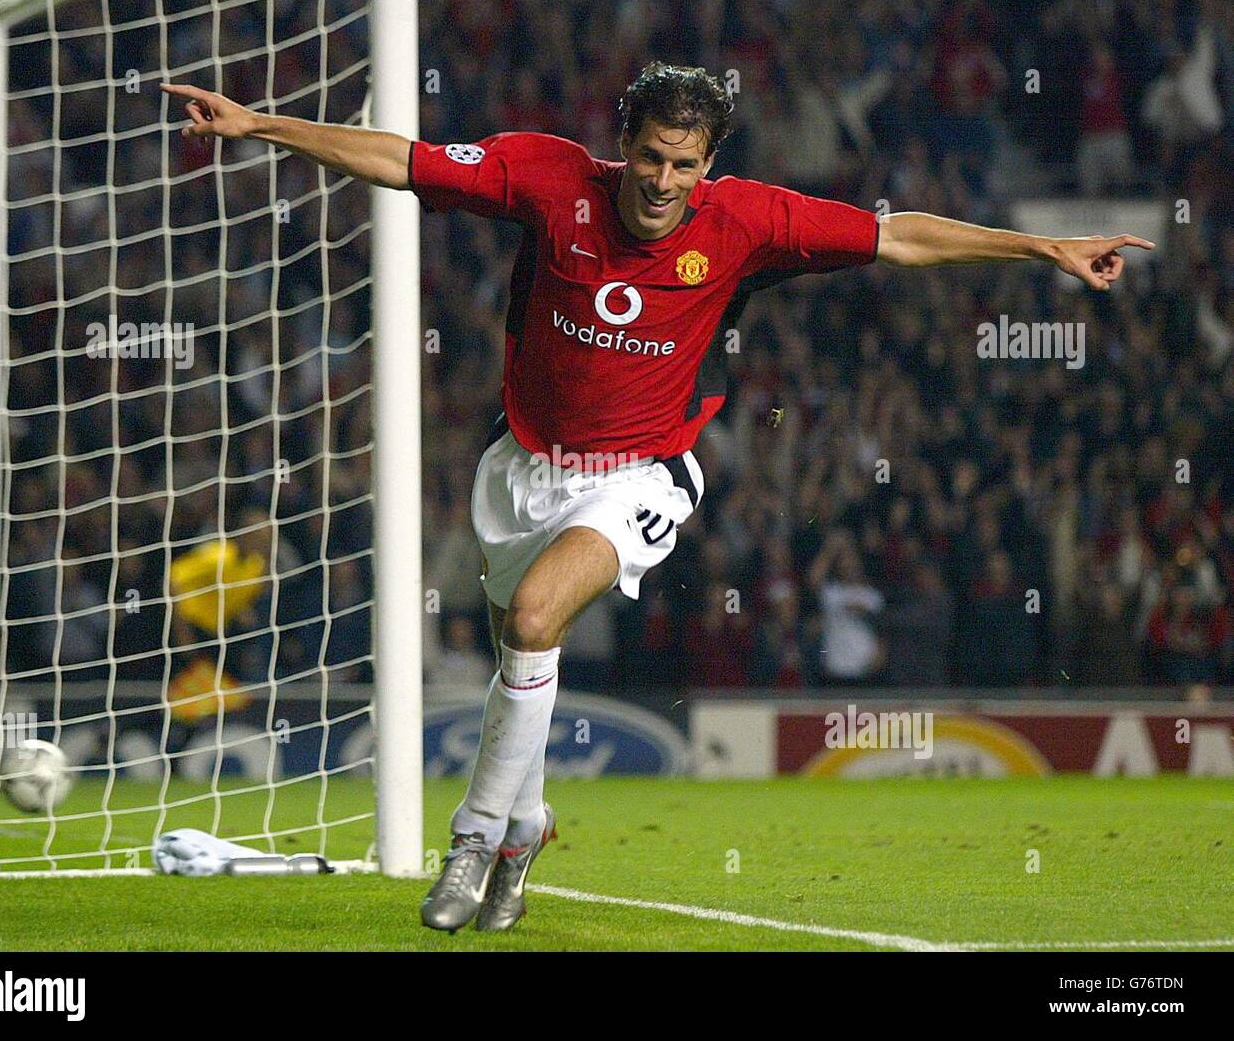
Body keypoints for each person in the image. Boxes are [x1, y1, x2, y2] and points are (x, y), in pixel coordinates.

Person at [163, 61, 1152, 934]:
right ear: (621, 146)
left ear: (707, 162)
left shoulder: (750, 220)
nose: (663, 183)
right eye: (648, 159)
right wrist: (263, 127)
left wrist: (1038, 248)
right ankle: (527, 829)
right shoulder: (550, 178)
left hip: (642, 473)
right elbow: (405, 159)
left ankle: (470, 840)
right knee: (518, 640)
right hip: (521, 471)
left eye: (684, 166)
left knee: (539, 618)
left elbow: (901, 240)